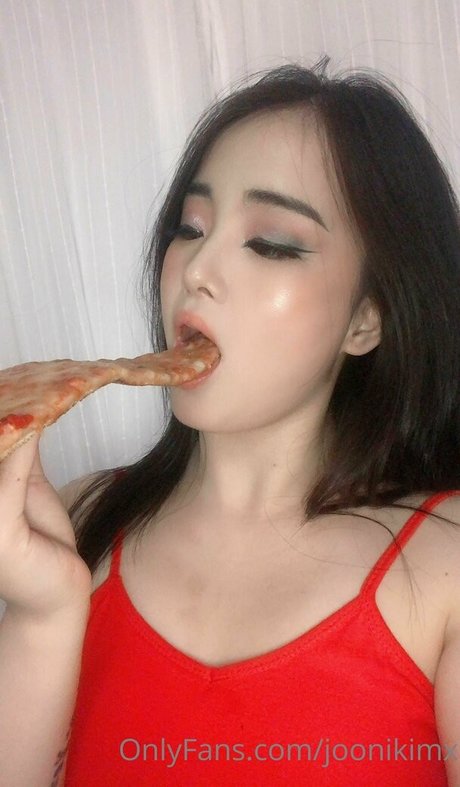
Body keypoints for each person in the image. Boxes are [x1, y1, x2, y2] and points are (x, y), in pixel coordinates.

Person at [1, 55, 460, 786]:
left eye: (270, 242)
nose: (197, 268)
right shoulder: (76, 523)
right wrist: (41, 617)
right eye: (189, 227)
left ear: (366, 319)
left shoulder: (445, 563)